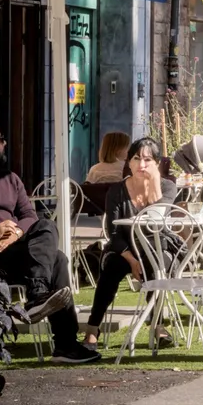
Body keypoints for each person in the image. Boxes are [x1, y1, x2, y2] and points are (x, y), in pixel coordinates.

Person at [0, 122, 101, 363]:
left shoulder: (9, 179)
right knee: (58, 258)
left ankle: (38, 297)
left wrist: (16, 234)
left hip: (19, 253)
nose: (5, 143)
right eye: (0, 139)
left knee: (46, 228)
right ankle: (64, 343)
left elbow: (29, 216)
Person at [83, 137, 177, 349]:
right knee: (112, 267)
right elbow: (113, 232)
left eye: (147, 160)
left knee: (157, 264)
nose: (141, 165)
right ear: (129, 161)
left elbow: (156, 225)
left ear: (157, 163)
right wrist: (132, 260)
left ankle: (157, 325)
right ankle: (92, 328)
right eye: (136, 159)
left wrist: (153, 184)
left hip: (156, 246)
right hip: (123, 248)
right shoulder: (117, 190)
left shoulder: (168, 187)